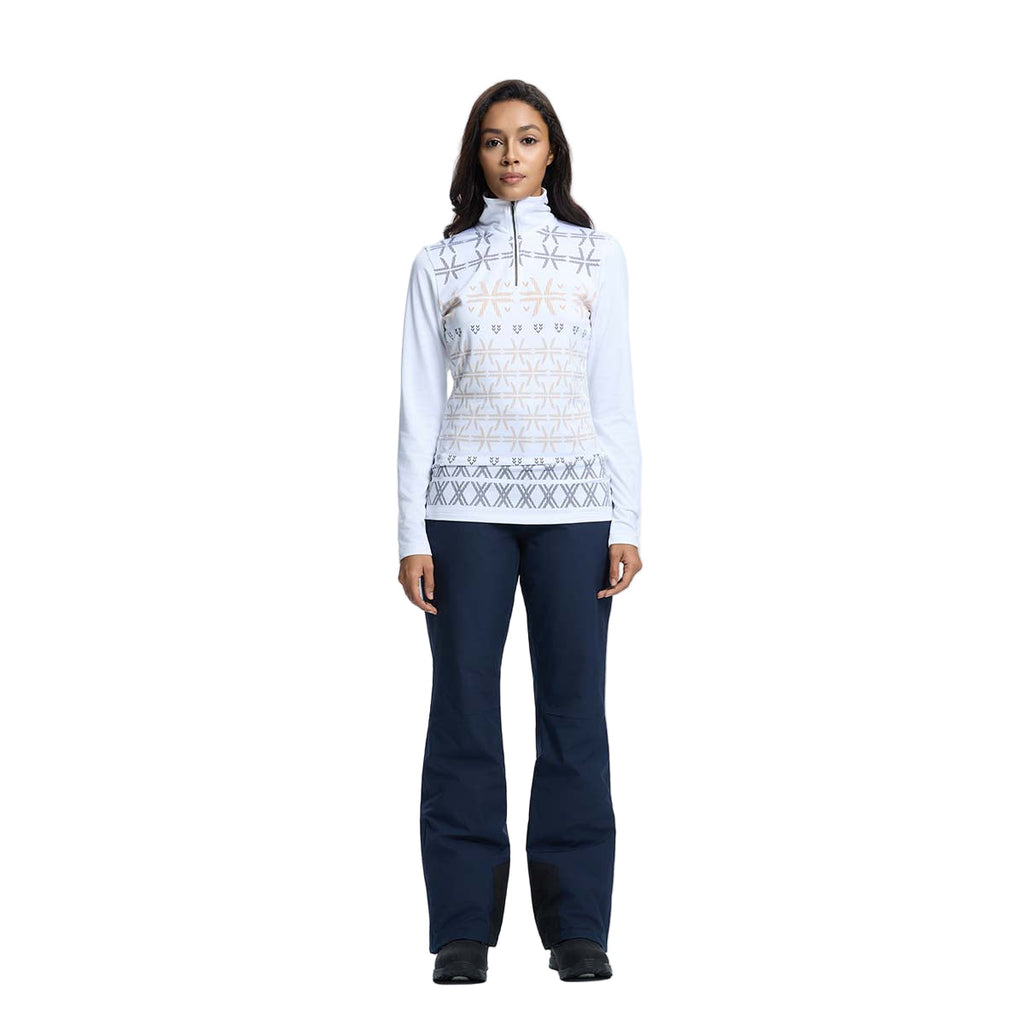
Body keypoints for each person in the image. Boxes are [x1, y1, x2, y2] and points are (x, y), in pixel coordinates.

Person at [396, 79, 643, 983]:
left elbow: (613, 397)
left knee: (574, 715)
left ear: (552, 152)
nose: (511, 155)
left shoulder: (595, 257)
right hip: (463, 513)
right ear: (476, 153)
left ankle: (578, 927)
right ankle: (463, 929)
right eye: (495, 140)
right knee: (463, 713)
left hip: (575, 511)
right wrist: (410, 534)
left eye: (527, 139)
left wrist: (627, 518)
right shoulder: (439, 265)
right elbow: (418, 408)